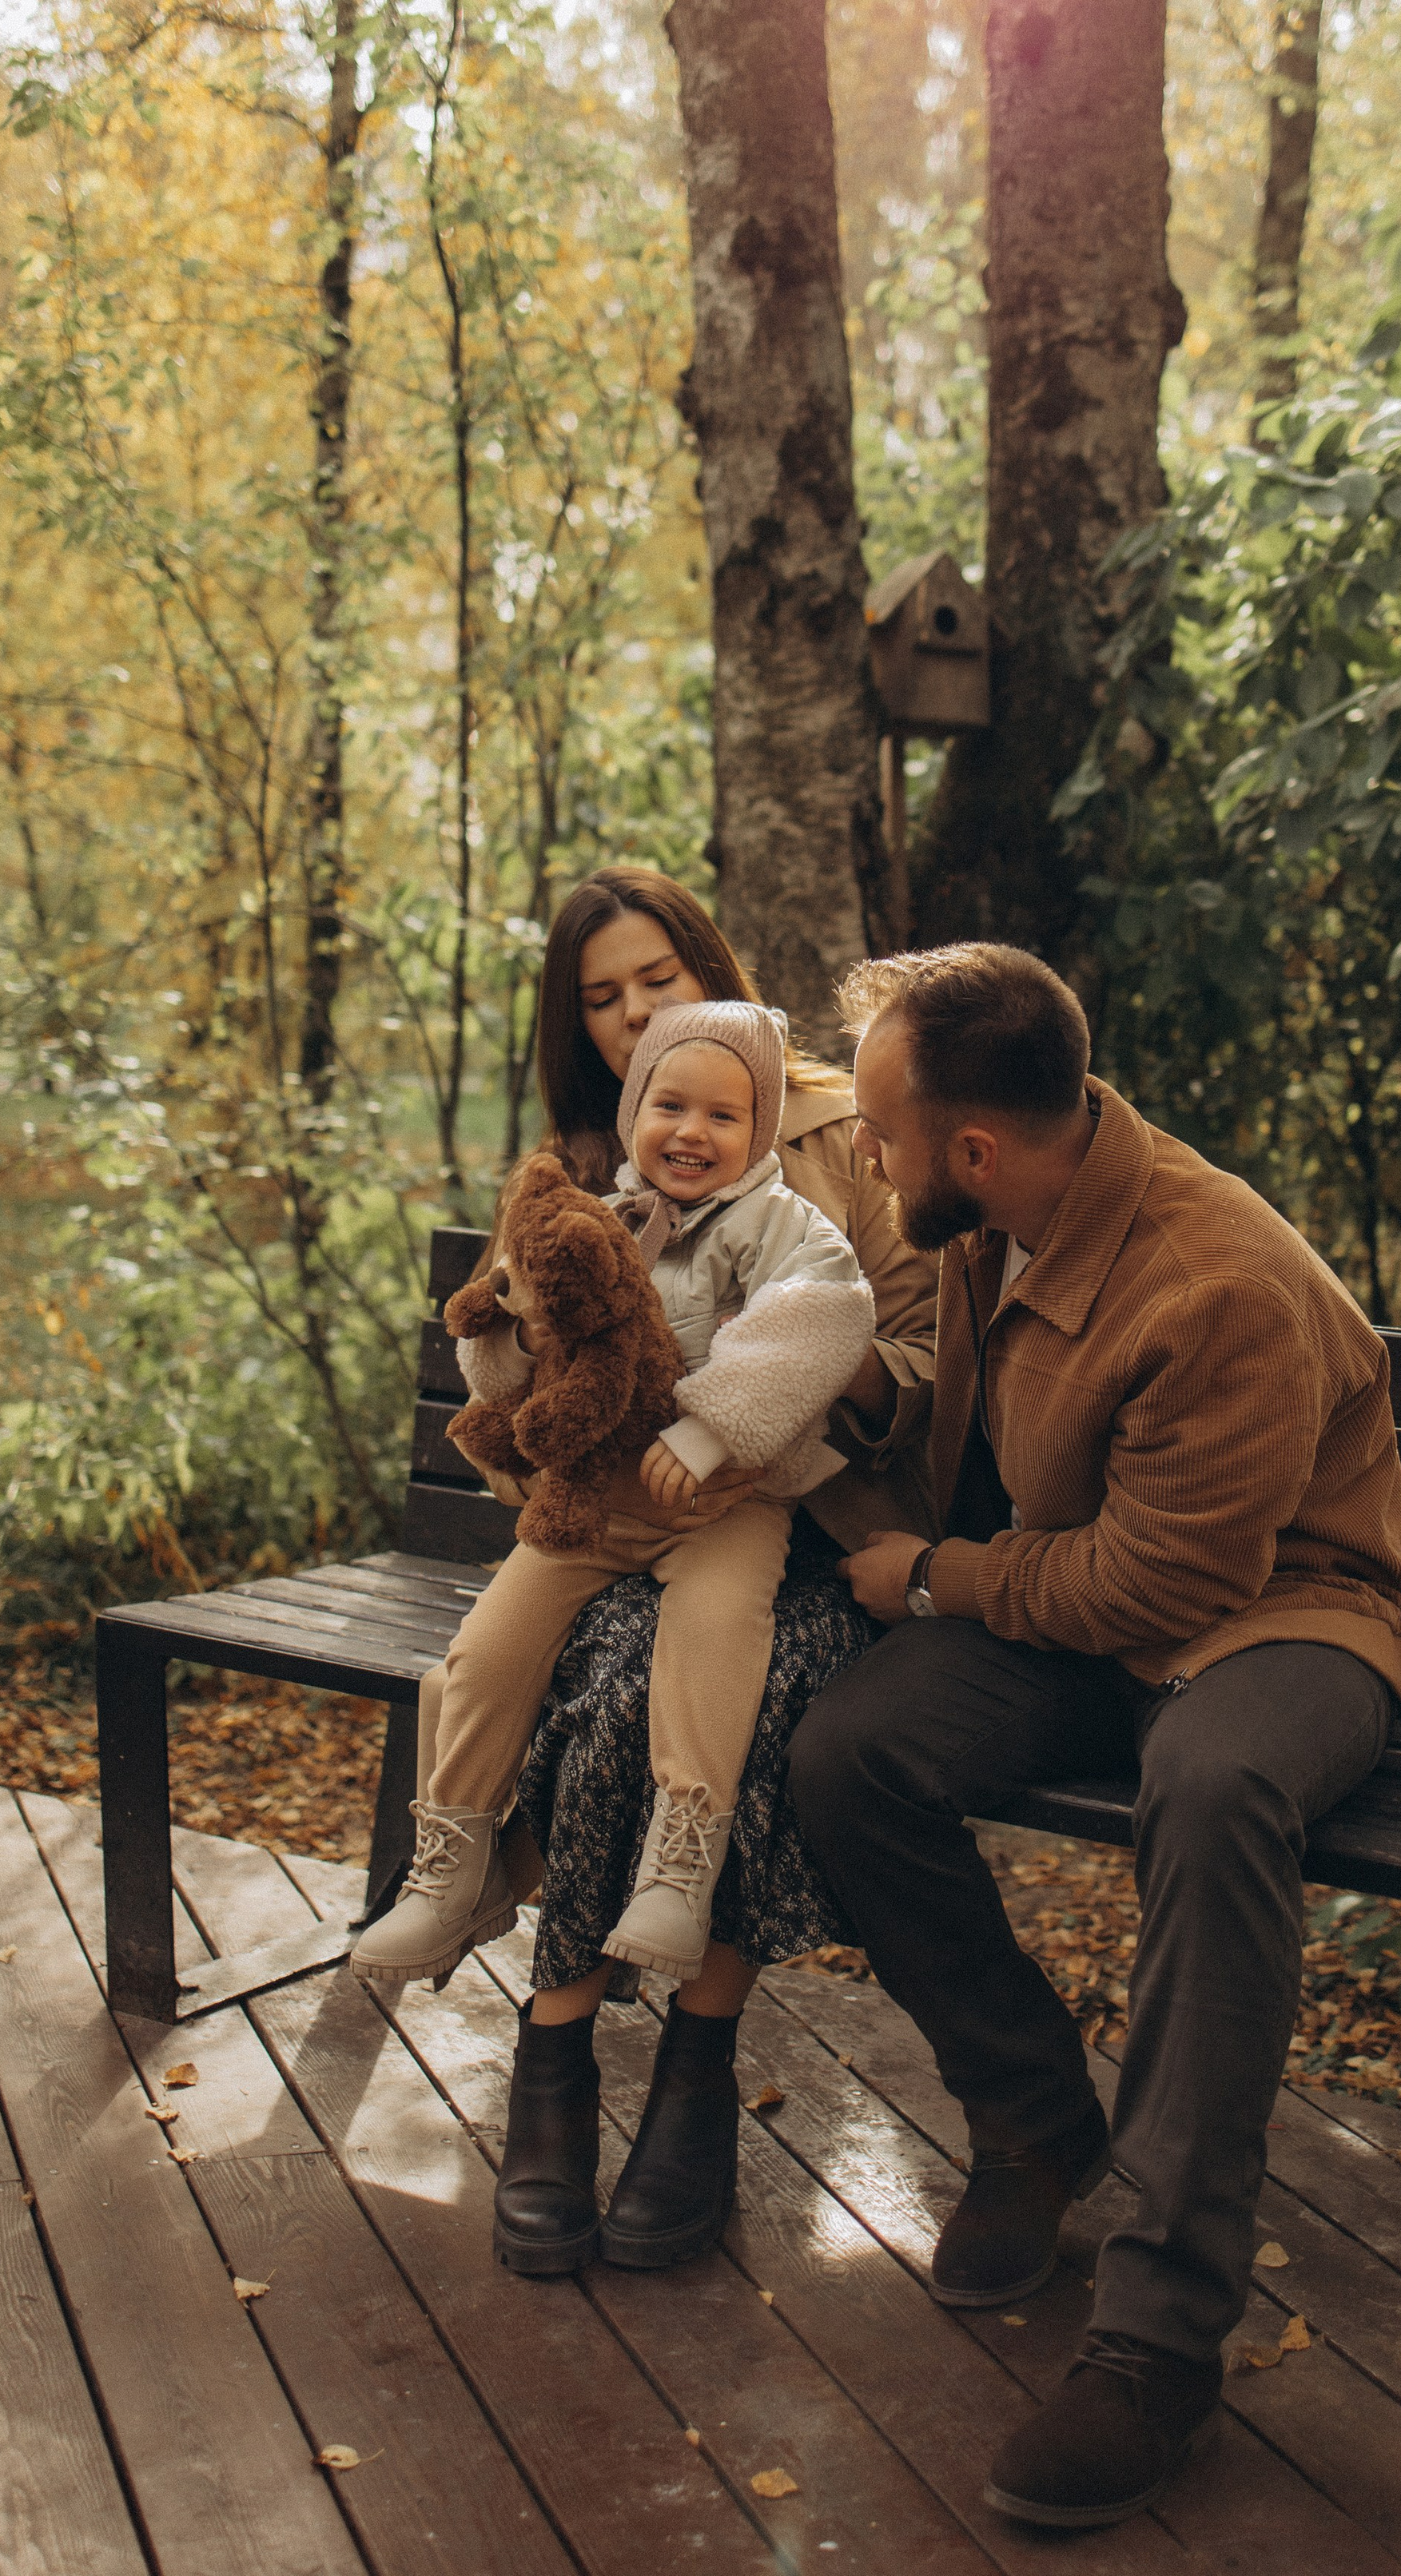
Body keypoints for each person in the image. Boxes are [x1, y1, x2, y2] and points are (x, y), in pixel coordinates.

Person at [789, 943, 1401, 2534]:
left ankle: (1157, 2340)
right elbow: (1001, 1456)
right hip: (1082, 1598)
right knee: (846, 1755)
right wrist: (848, 1415)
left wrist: (939, 1576)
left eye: (878, 1135)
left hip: (1287, 1610)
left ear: (969, 1148)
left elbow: (1175, 1575)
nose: (860, 1160)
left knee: (1213, 1787)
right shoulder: (993, 1216)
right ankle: (1031, 2118)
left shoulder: (1210, 1277)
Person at [445, 869, 937, 2280]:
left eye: (655, 977)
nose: (633, 1016)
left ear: (710, 969)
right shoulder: (576, 1174)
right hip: (613, 1537)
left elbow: (919, 1347)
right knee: (606, 1682)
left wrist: (771, 1403)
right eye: (600, 999)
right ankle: (555, 2068)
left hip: (815, 1532)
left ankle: (695, 2065)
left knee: (758, 1683)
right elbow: (509, 1399)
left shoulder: (840, 1132)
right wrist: (560, 1392)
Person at [352, 999, 875, 2000]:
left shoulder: (779, 1227)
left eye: (724, 1116)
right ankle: (451, 1862)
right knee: (486, 1650)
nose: (692, 1132)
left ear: (760, 1129)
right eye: (669, 1105)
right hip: (592, 1500)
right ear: (633, 1110)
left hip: (724, 1504)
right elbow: (500, 1329)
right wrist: (514, 1345)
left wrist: (713, 1422)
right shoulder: (590, 1218)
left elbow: (826, 1313)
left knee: (717, 1632)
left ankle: (682, 1861)